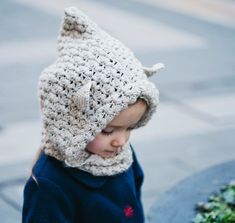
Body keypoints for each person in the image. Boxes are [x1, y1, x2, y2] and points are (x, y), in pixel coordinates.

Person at [22, 7, 164, 223]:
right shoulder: (50, 184)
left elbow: (135, 199)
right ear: (73, 123)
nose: (121, 140)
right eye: (108, 130)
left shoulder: (122, 156)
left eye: (130, 128)